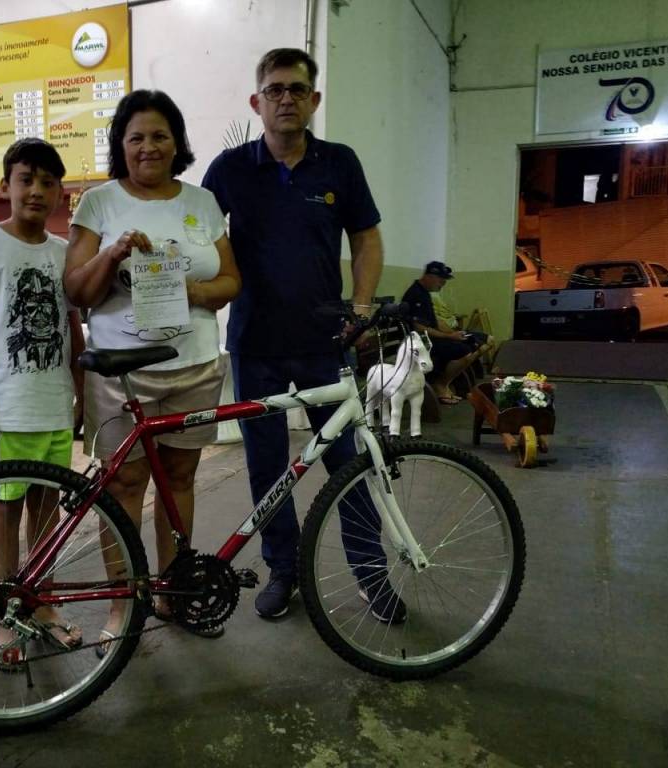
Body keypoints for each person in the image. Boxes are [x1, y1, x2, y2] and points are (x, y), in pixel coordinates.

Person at [203, 48, 405, 624]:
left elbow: (366, 238)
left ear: (314, 99)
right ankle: (282, 571)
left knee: (347, 463)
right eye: (274, 90)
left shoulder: (339, 163)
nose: (285, 98)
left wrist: (361, 306)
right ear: (256, 101)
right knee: (267, 468)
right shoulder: (229, 170)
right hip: (255, 344)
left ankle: (369, 572)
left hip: (325, 342)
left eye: (296, 89)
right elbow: (195, 236)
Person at [65, 89, 241, 652]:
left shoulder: (203, 202)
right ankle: (124, 605)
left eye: (160, 135)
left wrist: (194, 290)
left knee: (180, 481)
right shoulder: (98, 203)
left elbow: (231, 281)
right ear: (121, 144)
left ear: (176, 142)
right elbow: (76, 290)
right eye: (136, 136)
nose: (149, 146)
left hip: (193, 365)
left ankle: (173, 592)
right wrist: (113, 254)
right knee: (123, 485)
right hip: (122, 372)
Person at [0, 138, 86, 672]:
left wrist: (79, 393)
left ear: (60, 193)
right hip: (5, 411)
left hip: (52, 407)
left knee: (47, 510)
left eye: (48, 182)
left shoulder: (63, 252)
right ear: (5, 184)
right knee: (4, 509)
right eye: (26, 179)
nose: (36, 191)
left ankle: (42, 604)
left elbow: (72, 328)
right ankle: (6, 611)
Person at [401, 260, 493, 404]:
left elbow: (434, 321)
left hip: (430, 339)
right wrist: (449, 336)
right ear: (430, 276)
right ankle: (440, 385)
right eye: (441, 280)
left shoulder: (424, 292)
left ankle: (444, 383)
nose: (443, 284)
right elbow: (419, 327)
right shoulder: (416, 294)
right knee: (465, 351)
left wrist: (455, 333)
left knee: (476, 342)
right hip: (421, 343)